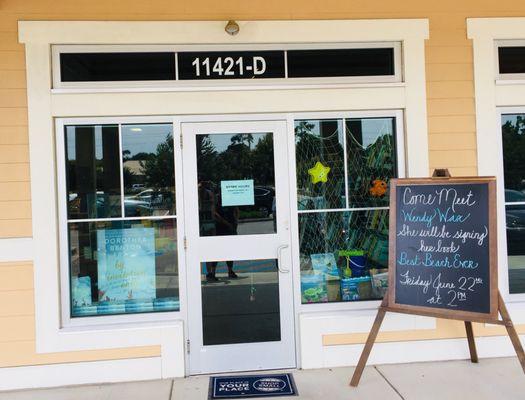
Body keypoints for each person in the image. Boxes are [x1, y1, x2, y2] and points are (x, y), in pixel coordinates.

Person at [206, 191, 239, 281]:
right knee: (217, 252)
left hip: (230, 229)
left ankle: (230, 271)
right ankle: (213, 273)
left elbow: (236, 210)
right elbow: (214, 214)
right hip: (220, 230)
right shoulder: (217, 204)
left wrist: (235, 221)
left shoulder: (230, 203)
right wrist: (226, 222)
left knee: (229, 251)